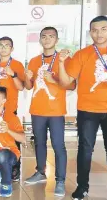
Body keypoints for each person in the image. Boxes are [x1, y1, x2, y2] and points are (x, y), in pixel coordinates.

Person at [57, 15, 107, 200]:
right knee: (85, 149)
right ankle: (82, 187)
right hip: (88, 110)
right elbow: (65, 83)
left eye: (103, 29)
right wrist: (62, 63)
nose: (99, 33)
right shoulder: (82, 54)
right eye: (95, 30)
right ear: (90, 33)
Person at [24, 27, 75, 197]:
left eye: (51, 36)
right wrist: (26, 76)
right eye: (44, 36)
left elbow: (72, 85)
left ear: (57, 39)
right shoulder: (33, 61)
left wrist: (52, 79)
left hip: (56, 111)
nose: (47, 39)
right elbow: (29, 86)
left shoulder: (65, 59)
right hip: (37, 109)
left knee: (58, 145)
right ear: (40, 40)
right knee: (39, 143)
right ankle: (40, 172)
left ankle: (60, 180)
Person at [0, 36, 25, 182]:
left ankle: (15, 169)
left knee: (13, 138)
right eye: (1, 45)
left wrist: (13, 74)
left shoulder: (17, 64)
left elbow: (21, 87)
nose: (3, 48)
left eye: (6, 45)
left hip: (9, 109)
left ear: (12, 49)